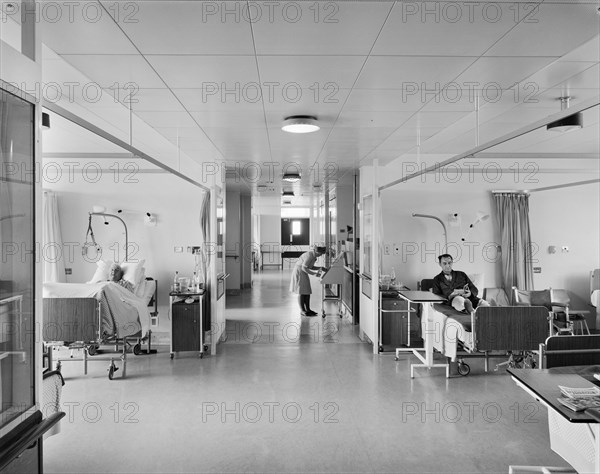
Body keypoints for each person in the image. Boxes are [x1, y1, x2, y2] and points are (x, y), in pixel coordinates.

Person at [289, 245, 326, 316]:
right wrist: (314, 274)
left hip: (303, 272)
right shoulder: (310, 255)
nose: (320, 255)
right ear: (315, 251)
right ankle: (302, 310)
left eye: (321, 254)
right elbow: (304, 268)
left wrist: (320, 268)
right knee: (302, 291)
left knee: (307, 291)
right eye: (319, 253)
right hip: (299, 271)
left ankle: (308, 309)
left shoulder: (314, 256)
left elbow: (310, 266)